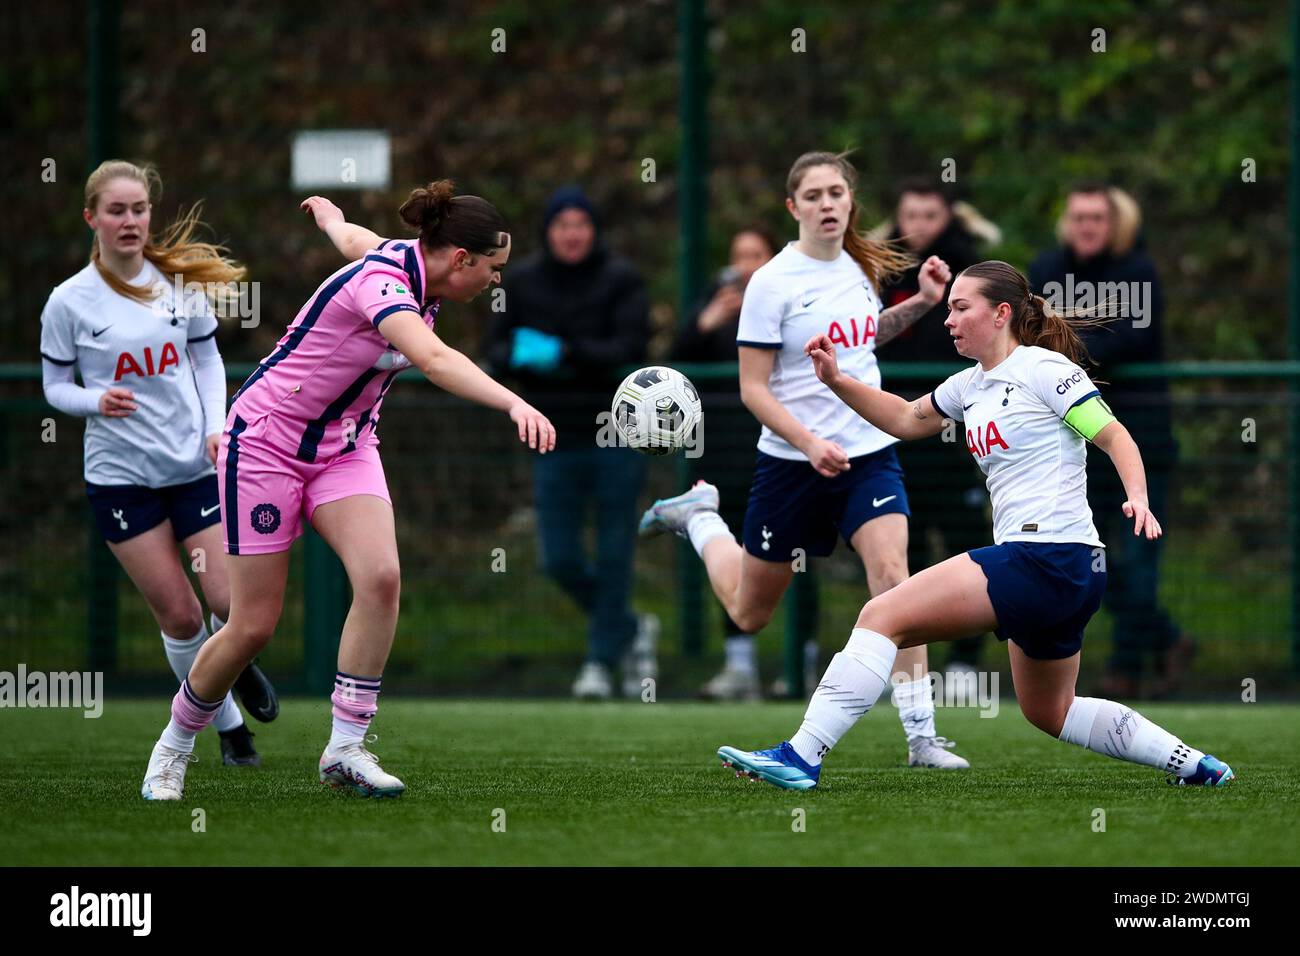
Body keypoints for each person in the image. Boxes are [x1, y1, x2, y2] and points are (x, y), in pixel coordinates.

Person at [716, 260, 1234, 790]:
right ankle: (1192, 763)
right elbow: (901, 418)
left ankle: (801, 755)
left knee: (881, 614)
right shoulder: (969, 386)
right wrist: (836, 380)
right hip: (1062, 570)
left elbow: (1112, 435)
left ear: (1001, 313)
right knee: (1050, 711)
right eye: (948, 309)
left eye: (961, 307)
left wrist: (1138, 497)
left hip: (1045, 557)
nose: (949, 319)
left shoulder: (1044, 370)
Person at [139, 180, 555, 800]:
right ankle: (173, 746)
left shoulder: (409, 265)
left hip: (345, 446)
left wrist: (332, 219)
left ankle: (346, 749)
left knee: (382, 577)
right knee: (251, 625)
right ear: (460, 259)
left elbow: (358, 240)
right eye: (493, 269)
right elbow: (436, 361)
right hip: (266, 444)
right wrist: (513, 402)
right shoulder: (384, 287)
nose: (496, 282)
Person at [641, 151, 969, 769]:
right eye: (813, 195)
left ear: (851, 203)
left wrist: (925, 301)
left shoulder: (856, 266)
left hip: (869, 455)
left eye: (836, 193)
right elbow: (753, 388)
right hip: (792, 465)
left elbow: (865, 337)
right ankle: (700, 518)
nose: (827, 204)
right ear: (793, 208)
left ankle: (923, 738)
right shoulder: (771, 282)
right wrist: (810, 443)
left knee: (895, 581)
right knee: (748, 610)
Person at [41, 160, 277, 769]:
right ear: (91, 217)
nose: (130, 221)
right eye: (116, 211)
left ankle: (237, 658)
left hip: (192, 470)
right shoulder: (68, 302)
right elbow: (55, 388)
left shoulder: (178, 285)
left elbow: (206, 362)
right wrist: (96, 399)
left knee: (230, 602)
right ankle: (229, 729)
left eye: (139, 209)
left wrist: (214, 428)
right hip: (121, 480)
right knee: (179, 614)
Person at [485, 186, 656, 700]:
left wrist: (566, 352)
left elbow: (631, 345)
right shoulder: (521, 281)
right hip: (551, 436)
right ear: (549, 230)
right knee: (557, 557)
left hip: (616, 436)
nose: (573, 233)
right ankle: (628, 627)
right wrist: (524, 357)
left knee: (614, 553)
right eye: (563, 224)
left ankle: (600, 663)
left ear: (595, 229)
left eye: (582, 223)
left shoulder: (622, 279)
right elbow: (495, 348)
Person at [1029, 183, 1191, 698]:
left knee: (1141, 554)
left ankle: (1127, 665)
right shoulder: (1048, 268)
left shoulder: (1137, 271)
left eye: (1097, 217)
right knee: (1099, 558)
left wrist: (1061, 343)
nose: (1087, 226)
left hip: (1140, 438)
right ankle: (1164, 641)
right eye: (1078, 217)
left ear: (1115, 222)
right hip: (1078, 443)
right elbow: (1034, 332)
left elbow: (1124, 339)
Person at [670, 227, 819, 700]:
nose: (746, 264)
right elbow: (675, 357)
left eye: (755, 254)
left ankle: (804, 662)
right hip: (727, 450)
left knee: (800, 555)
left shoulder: (792, 295)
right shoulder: (717, 299)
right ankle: (739, 665)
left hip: (787, 446)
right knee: (735, 546)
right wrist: (707, 322)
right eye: (738, 256)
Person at [875, 178, 997, 676]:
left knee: (968, 542)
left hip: (954, 432)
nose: (919, 226)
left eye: (930, 215)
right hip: (899, 428)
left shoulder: (971, 272)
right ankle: (905, 664)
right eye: (911, 215)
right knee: (907, 547)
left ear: (948, 216)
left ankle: (966, 661)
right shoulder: (879, 269)